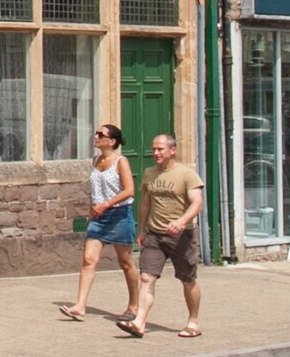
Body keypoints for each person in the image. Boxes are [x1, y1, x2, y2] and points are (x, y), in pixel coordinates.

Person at [118, 132, 203, 338]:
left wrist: (181, 222)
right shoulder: (149, 173)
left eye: (160, 149)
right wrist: (142, 229)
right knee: (146, 276)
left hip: (181, 236)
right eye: (154, 149)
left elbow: (197, 203)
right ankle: (139, 322)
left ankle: (193, 322)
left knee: (187, 279)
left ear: (172, 150)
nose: (155, 153)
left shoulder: (186, 174)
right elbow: (146, 202)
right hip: (154, 235)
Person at [59, 122, 138, 323]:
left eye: (100, 134)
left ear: (111, 141)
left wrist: (107, 204)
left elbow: (129, 191)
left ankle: (134, 305)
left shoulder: (121, 162)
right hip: (98, 217)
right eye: (96, 133)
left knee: (126, 262)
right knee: (88, 259)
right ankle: (80, 306)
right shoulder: (95, 160)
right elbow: (94, 192)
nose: (96, 136)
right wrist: (92, 212)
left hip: (119, 215)